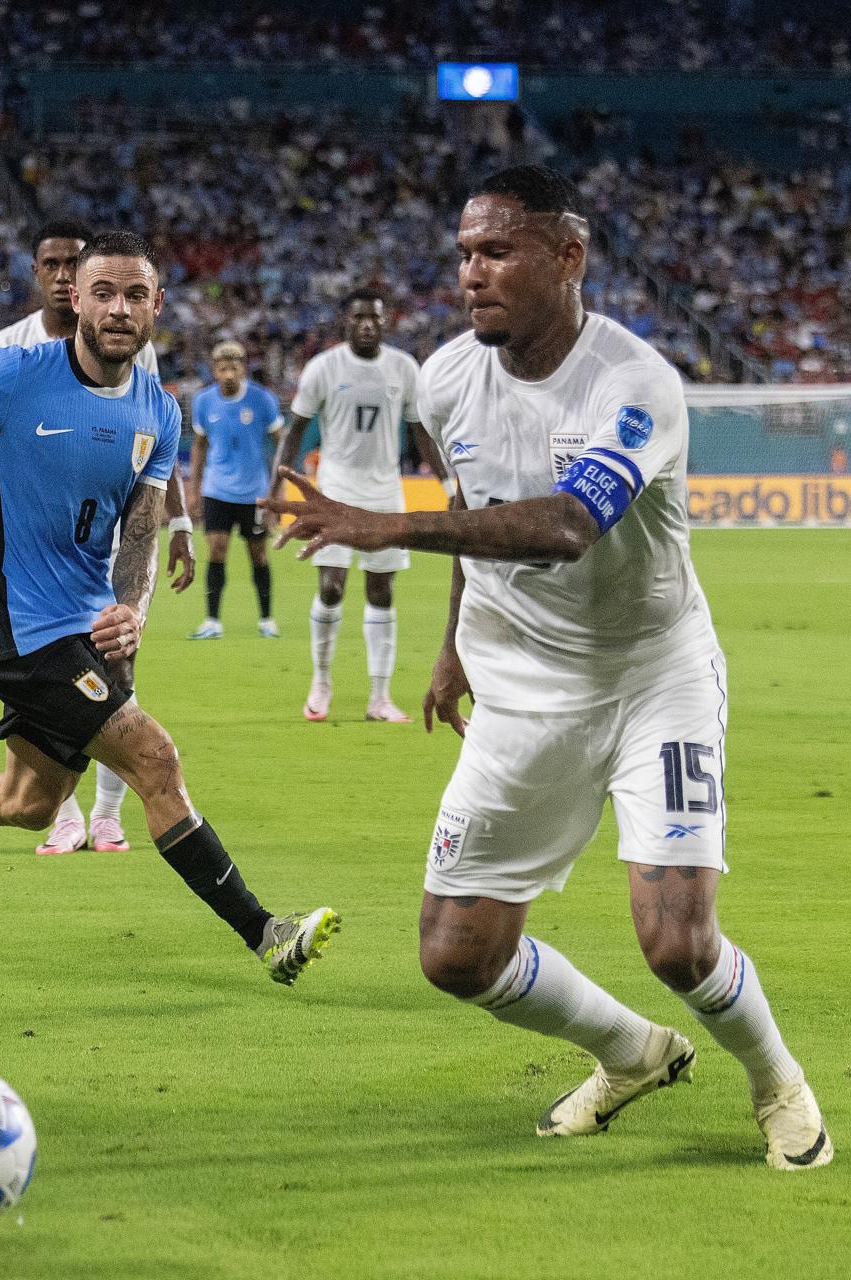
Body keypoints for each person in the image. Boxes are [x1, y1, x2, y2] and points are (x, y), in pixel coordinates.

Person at [263, 165, 830, 1170]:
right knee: (456, 954)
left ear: (566, 257)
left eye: (497, 251)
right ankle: (629, 1050)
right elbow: (479, 515)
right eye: (464, 256)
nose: (473, 274)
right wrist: (450, 646)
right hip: (520, 681)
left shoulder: (634, 383)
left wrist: (382, 522)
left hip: (654, 674)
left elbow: (567, 524)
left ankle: (779, 1081)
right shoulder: (443, 377)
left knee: (678, 940)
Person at [0, 232, 339, 986]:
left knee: (28, 802)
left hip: (87, 626)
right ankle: (265, 934)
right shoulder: (10, 375)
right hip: (20, 630)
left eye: (134, 295)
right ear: (75, 299)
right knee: (156, 760)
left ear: (156, 306)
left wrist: (133, 609)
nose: (117, 309)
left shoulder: (159, 410)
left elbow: (143, 525)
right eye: (102, 293)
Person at [0, 220, 196, 858]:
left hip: (108, 565)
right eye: (54, 265)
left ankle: (106, 816)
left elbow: (155, 449)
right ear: (50, 278)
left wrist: (181, 526)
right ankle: (260, 929)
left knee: (52, 770)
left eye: (69, 262)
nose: (62, 275)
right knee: (131, 739)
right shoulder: (10, 351)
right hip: (33, 589)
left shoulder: (134, 351)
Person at [269, 289, 449, 723]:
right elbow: (295, 432)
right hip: (334, 492)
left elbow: (420, 431)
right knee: (331, 586)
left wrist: (447, 481)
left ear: (386, 323)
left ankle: (380, 697)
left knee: (381, 590)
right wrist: (279, 488)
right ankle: (322, 681)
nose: (367, 324)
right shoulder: (324, 368)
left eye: (375, 318)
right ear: (345, 323)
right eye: (358, 318)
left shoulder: (404, 368)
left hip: (386, 494)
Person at [185, 339, 283, 639]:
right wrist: (194, 489)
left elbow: (282, 444)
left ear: (243, 369)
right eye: (223, 368)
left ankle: (266, 620)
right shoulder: (203, 402)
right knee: (216, 549)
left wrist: (279, 491)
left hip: (254, 492)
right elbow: (199, 447)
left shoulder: (262, 400)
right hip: (217, 490)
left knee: (258, 554)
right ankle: (212, 621)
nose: (229, 373)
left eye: (234, 367)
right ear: (214, 371)